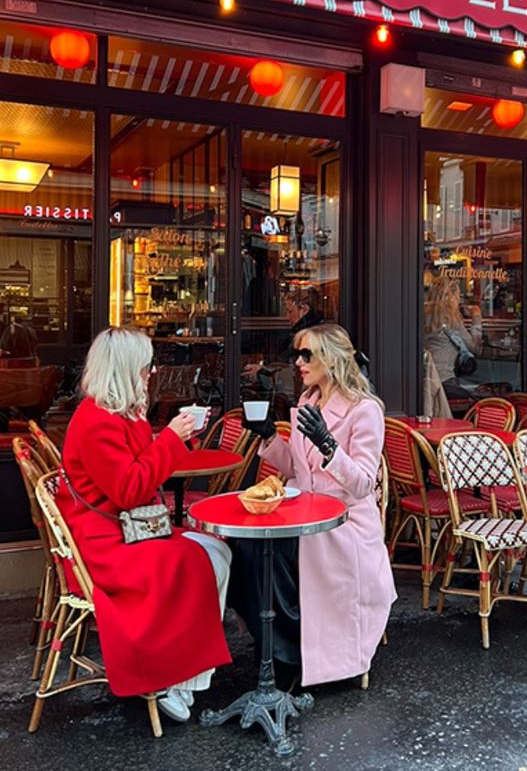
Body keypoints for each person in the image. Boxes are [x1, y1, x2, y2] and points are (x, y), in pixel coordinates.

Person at [56, 327, 232, 723]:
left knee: (217, 551)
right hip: (108, 545)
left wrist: (170, 438)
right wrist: (171, 438)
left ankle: (184, 675)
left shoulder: (112, 414)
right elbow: (130, 489)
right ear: (125, 369)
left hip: (125, 529)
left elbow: (135, 471)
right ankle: (174, 677)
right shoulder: (97, 421)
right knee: (203, 560)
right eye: (145, 365)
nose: (151, 372)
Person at [229, 323, 396, 689]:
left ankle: (291, 655)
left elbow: (364, 484)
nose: (298, 362)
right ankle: (279, 648)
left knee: (269, 552)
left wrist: (329, 447)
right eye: (297, 354)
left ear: (332, 360)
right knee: (245, 548)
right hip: (303, 512)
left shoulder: (364, 410)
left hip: (343, 524)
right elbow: (297, 470)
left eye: (307, 355)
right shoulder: (308, 401)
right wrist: (270, 437)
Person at [423, 277, 482, 404]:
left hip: (425, 379)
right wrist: (476, 317)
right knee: (475, 400)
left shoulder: (423, 315)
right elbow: (475, 348)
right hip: (445, 381)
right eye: (457, 295)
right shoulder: (451, 319)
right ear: (450, 297)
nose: (459, 300)